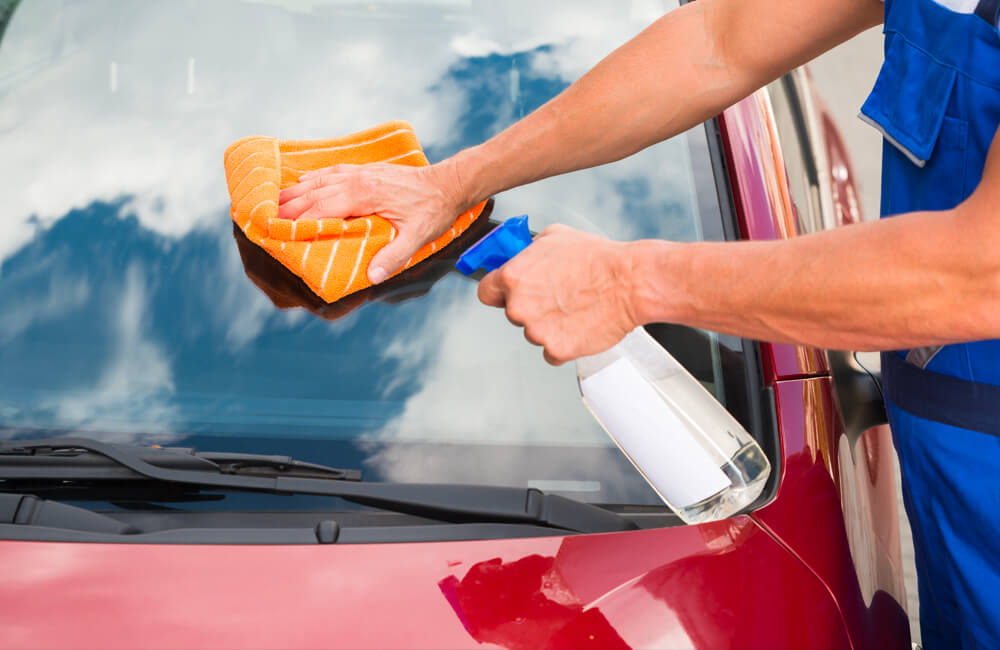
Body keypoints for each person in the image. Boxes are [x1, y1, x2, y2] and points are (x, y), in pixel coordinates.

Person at [276, 0, 999, 646]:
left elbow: (981, 272)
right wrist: (454, 183)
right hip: (952, 495)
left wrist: (626, 283)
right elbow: (719, 42)